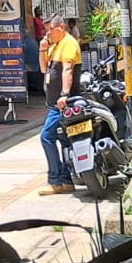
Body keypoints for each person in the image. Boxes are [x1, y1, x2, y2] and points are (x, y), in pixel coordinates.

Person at [36, 16, 82, 196]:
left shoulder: (68, 43)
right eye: (46, 30)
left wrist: (64, 94)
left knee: (46, 137)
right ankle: (66, 180)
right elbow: (44, 69)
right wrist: (42, 50)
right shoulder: (54, 45)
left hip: (62, 104)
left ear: (61, 28)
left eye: (50, 30)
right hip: (54, 103)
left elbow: (67, 70)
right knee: (63, 139)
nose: (47, 34)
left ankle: (55, 180)